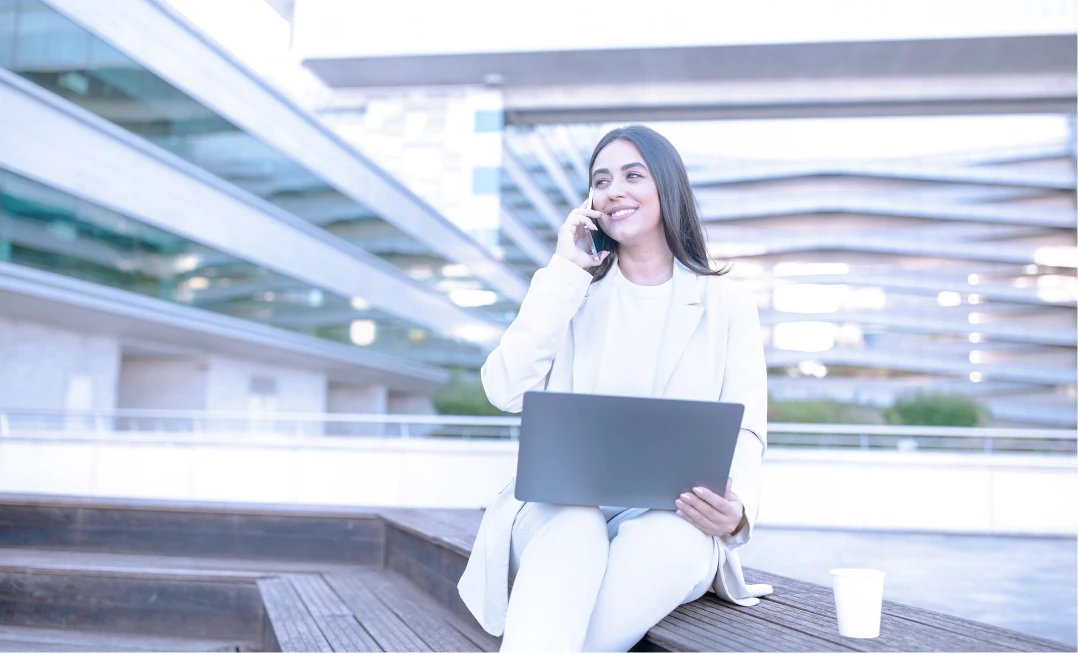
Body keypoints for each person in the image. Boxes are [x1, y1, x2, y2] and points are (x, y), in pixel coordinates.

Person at [457, 125, 772, 653]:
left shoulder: (727, 305)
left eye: (633, 175)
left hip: (672, 513)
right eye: (601, 180)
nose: (614, 190)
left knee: (671, 538)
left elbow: (747, 430)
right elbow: (503, 390)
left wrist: (737, 512)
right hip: (557, 511)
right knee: (575, 526)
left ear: (667, 187)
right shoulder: (570, 291)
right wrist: (565, 270)